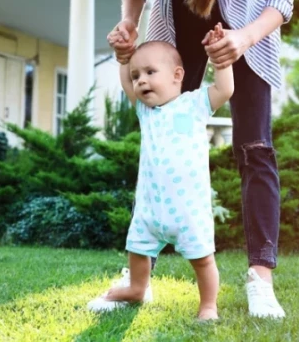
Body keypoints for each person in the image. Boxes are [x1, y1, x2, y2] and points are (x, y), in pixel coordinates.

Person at [107, 0, 293, 319]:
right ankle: (139, 280)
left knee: (255, 148)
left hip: (242, 27)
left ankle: (260, 279)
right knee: (161, 138)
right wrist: (130, 23)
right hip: (175, 27)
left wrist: (243, 39)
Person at [88, 25, 233, 320]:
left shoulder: (194, 104)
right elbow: (127, 86)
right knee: (138, 250)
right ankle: (137, 289)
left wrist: (221, 62)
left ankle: (208, 305)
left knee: (203, 260)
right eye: (136, 76)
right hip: (150, 208)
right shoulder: (146, 112)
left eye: (149, 73)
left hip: (188, 209)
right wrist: (123, 60)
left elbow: (224, 89)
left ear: (177, 76)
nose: (140, 81)